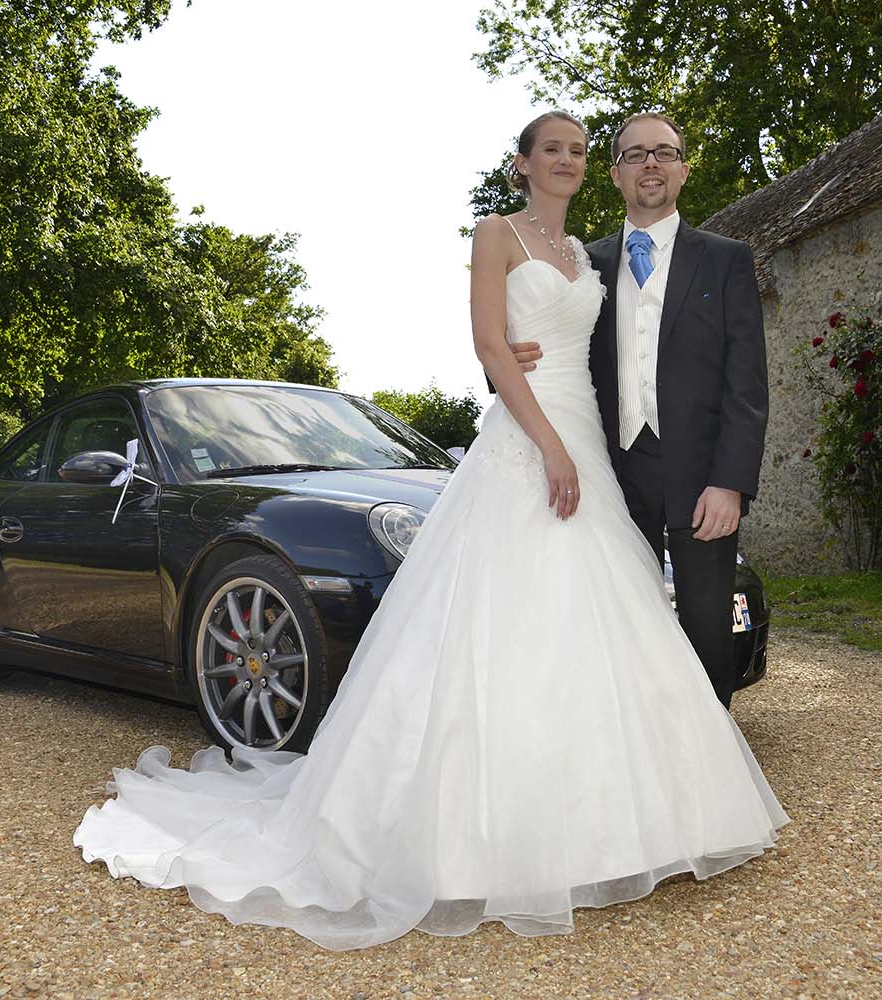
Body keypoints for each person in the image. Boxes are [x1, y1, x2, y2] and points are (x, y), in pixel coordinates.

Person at [73, 111, 788, 952]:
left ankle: (679, 809)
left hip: (618, 455)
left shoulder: (621, 258)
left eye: (588, 152)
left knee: (646, 627)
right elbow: (493, 341)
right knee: (510, 625)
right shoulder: (522, 239)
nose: (583, 162)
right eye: (565, 151)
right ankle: (507, 833)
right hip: (545, 449)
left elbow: (715, 376)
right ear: (525, 165)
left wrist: (719, 477)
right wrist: (525, 401)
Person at [508, 112, 769, 706]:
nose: (651, 163)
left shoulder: (726, 260)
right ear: (616, 174)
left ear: (682, 168)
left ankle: (707, 773)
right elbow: (526, 336)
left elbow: (746, 383)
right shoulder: (582, 263)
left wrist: (730, 482)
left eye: (664, 152)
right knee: (617, 625)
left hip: (702, 479)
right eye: (636, 154)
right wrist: (512, 354)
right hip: (610, 471)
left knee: (707, 630)